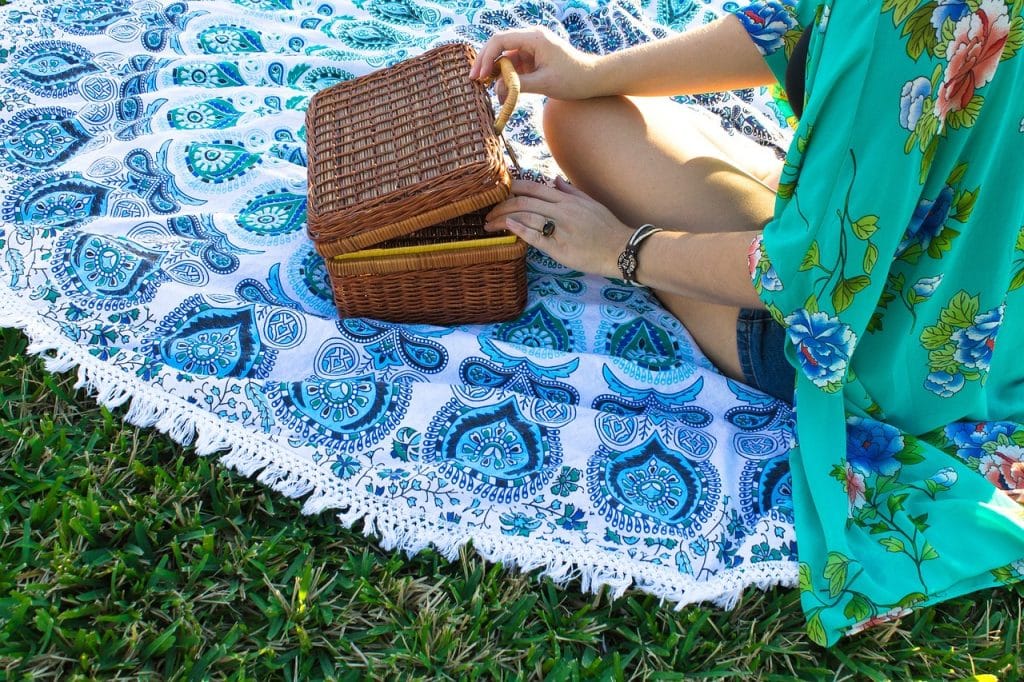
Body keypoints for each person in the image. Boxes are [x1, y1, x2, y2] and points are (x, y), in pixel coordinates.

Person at [470, 0, 1024, 645]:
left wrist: (620, 249)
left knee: (582, 124)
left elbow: (807, 277)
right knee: (599, 105)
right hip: (995, 318)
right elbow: (793, 22)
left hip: (870, 355)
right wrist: (593, 70)